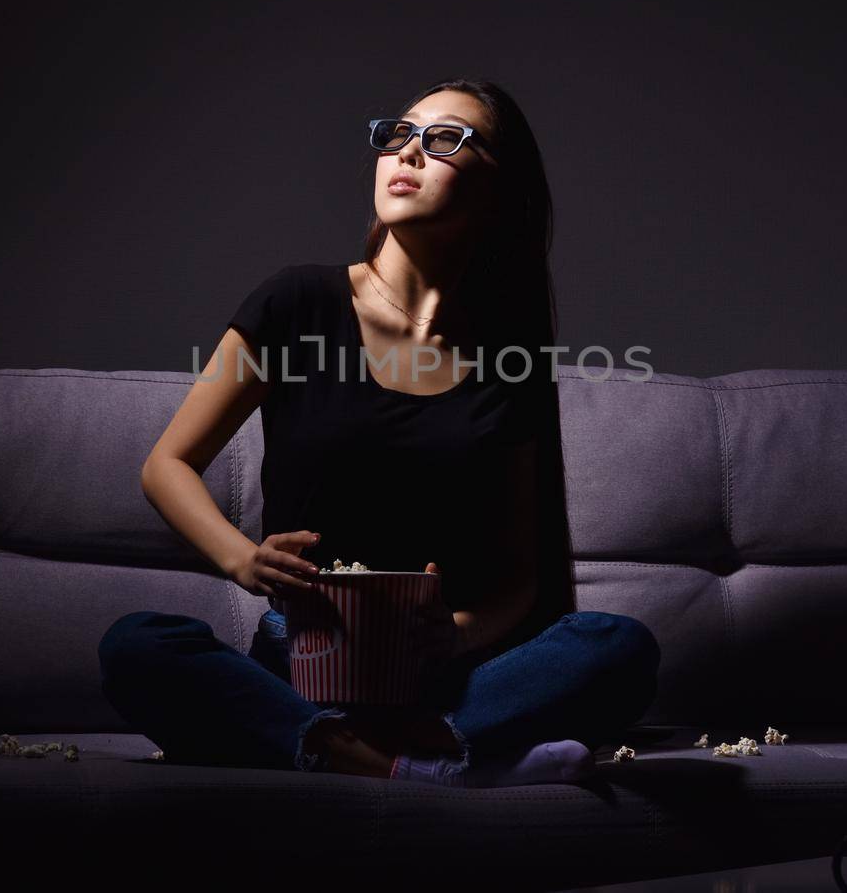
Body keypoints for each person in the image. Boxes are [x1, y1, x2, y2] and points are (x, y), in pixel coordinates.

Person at [99, 78, 660, 786]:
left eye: (447, 138)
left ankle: (361, 750)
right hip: (302, 658)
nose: (412, 151)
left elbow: (520, 580)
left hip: (437, 674)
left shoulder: (506, 361)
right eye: (401, 132)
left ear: (498, 191)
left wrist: (454, 633)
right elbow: (167, 464)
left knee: (619, 646)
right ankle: (425, 761)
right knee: (137, 646)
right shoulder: (297, 302)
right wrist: (244, 560)